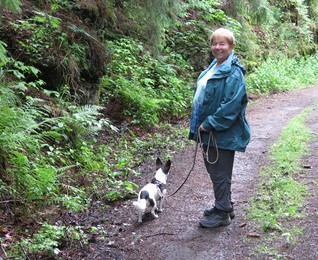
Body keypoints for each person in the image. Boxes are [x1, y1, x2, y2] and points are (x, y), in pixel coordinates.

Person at [189, 28, 251, 228]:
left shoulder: (233, 73)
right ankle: (225, 205)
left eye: (222, 43)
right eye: (214, 43)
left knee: (219, 172)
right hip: (210, 131)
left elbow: (231, 107)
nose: (217, 47)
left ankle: (222, 213)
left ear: (231, 46)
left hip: (220, 131)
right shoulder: (215, 66)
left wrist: (208, 124)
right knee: (217, 170)